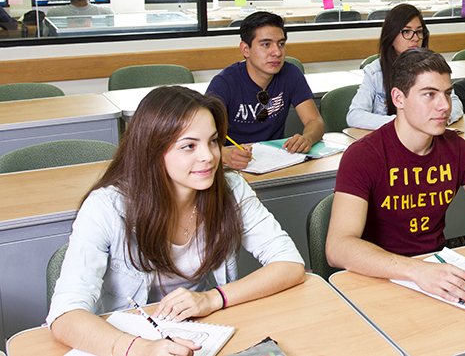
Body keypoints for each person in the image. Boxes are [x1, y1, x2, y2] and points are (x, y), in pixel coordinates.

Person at [46, 86, 305, 356]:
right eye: (189, 146)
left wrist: (211, 298)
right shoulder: (106, 207)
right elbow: (64, 315)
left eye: (213, 141)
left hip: (203, 332)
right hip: (124, 340)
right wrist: (142, 349)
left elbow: (290, 264)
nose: (208, 156)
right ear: (152, 150)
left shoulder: (231, 189)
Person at [327, 48, 465, 305]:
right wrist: (417, 271)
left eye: (448, 94)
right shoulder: (364, 155)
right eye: (429, 95)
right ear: (398, 98)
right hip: (380, 278)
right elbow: (338, 247)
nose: (444, 106)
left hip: (434, 274)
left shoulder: (456, 149)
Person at [207, 11, 325, 169]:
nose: (277, 52)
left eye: (281, 44)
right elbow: (200, 138)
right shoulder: (223, 84)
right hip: (236, 164)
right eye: (266, 44)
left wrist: (307, 139)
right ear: (245, 49)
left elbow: (315, 121)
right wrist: (225, 154)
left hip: (277, 161)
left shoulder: (291, 74)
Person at [346, 3, 464, 130]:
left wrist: (437, 118)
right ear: (391, 36)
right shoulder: (375, 72)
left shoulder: (432, 68)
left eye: (419, 32)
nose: (415, 38)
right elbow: (355, 115)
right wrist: (404, 122)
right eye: (406, 32)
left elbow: (456, 104)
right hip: (391, 138)